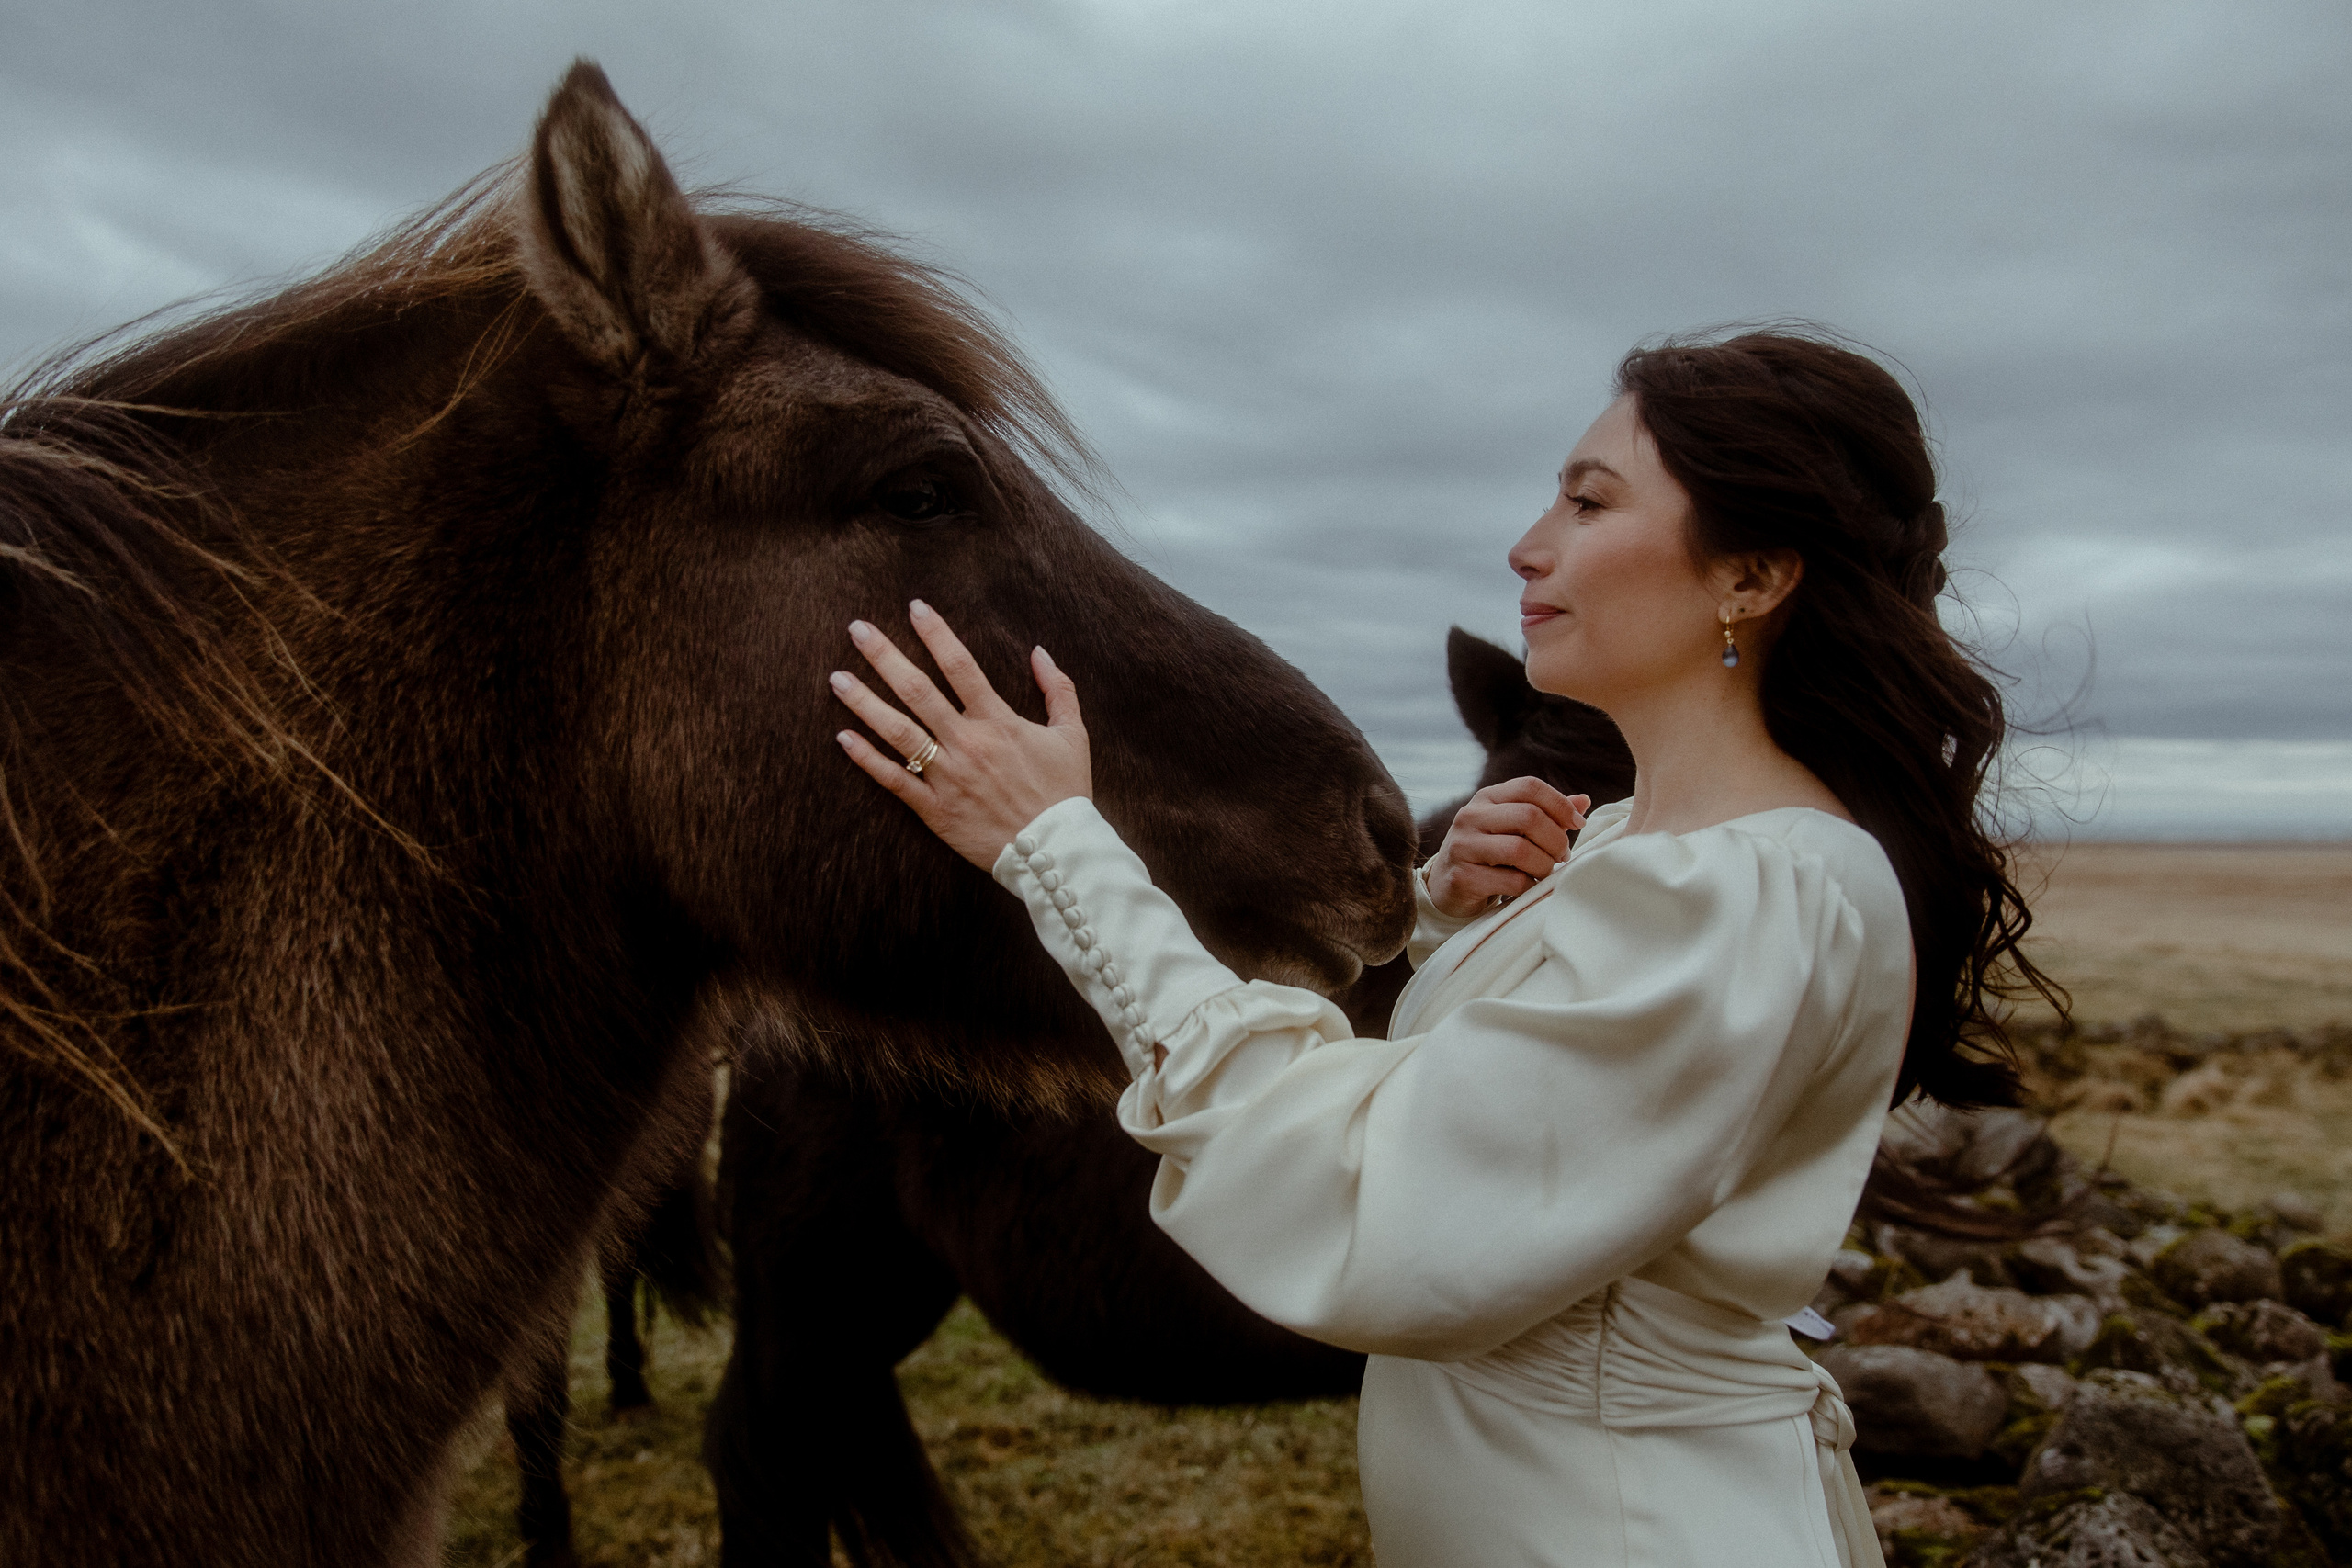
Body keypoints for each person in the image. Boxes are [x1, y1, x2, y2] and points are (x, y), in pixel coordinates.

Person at [826, 330, 2057, 1568]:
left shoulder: (1747, 896)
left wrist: (1055, 847)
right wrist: (1451, 916)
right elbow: (1521, 1089)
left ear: (1748, 578)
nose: (1530, 545)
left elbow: (1373, 1207)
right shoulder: (1639, 847)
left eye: (1589, 501)